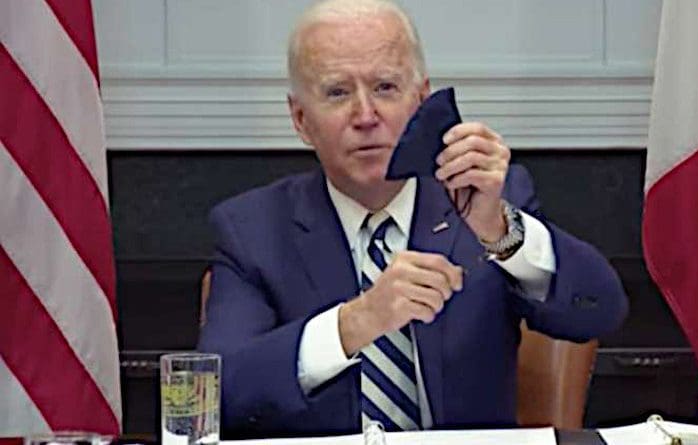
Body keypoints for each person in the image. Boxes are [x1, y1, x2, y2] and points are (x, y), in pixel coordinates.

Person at [197, 0, 628, 438]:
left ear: (421, 100)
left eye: (385, 87)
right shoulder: (253, 229)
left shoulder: (489, 200)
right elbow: (218, 393)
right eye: (337, 93)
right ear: (301, 120)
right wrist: (355, 322)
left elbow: (598, 311)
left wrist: (500, 232)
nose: (366, 117)